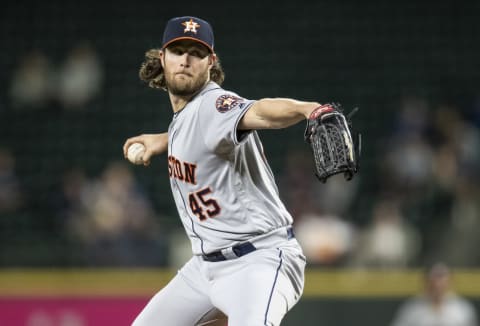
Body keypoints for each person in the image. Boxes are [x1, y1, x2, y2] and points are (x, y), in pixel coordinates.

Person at [123, 16, 336, 326]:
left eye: (196, 54)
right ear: (162, 58)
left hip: (258, 262)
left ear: (210, 62)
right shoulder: (186, 119)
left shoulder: (215, 104)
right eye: (178, 51)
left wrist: (307, 109)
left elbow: (260, 111)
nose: (185, 60)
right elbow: (199, 138)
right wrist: (163, 140)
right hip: (204, 269)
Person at [390, 262, 478, 326]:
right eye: (434, 280)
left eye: (441, 279)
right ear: (426, 282)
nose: (438, 285)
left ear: (449, 282)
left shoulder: (462, 309)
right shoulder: (412, 308)